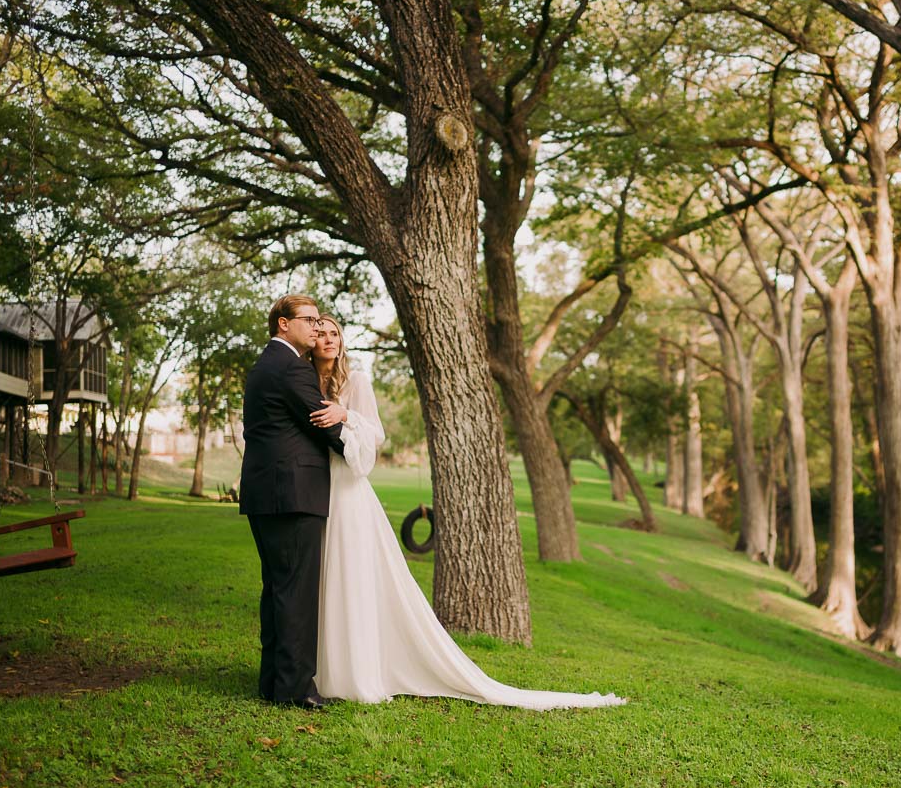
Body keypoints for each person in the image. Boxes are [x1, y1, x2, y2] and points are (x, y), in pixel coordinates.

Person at [307, 314, 625, 710]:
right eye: (320, 333)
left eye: (335, 333)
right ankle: (322, 667)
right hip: (318, 490)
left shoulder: (357, 382)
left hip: (350, 492)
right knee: (323, 576)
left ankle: (357, 672)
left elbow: (375, 435)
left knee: (351, 574)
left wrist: (346, 415)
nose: (328, 339)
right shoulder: (304, 381)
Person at [239, 295, 347, 710]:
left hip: (267, 494)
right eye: (309, 320)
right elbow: (325, 427)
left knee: (277, 592)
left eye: (320, 321)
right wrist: (355, 439)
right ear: (283, 324)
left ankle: (272, 682)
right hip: (293, 495)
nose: (317, 328)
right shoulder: (291, 368)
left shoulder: (266, 363)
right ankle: (296, 689)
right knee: (296, 594)